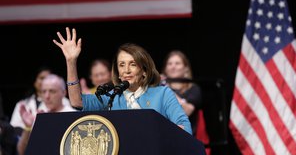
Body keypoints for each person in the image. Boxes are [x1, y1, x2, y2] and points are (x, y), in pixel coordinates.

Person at [53, 27, 192, 134]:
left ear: (144, 70)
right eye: (121, 65)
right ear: (118, 73)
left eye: (133, 64)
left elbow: (184, 128)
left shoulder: (162, 94)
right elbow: (77, 102)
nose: (126, 70)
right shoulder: (111, 97)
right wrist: (71, 62)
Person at [0, 74, 77, 155]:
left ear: (63, 93)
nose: (46, 96)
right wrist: (27, 128)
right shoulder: (38, 114)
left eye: (52, 91)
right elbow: (22, 154)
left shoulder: (72, 115)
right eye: (43, 92)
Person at [161, 50, 202, 136]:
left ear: (185, 68)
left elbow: (186, 112)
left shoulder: (193, 89)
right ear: (165, 68)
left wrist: (165, 86)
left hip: (185, 137)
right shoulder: (158, 88)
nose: (173, 67)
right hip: (163, 135)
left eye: (177, 63)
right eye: (170, 64)